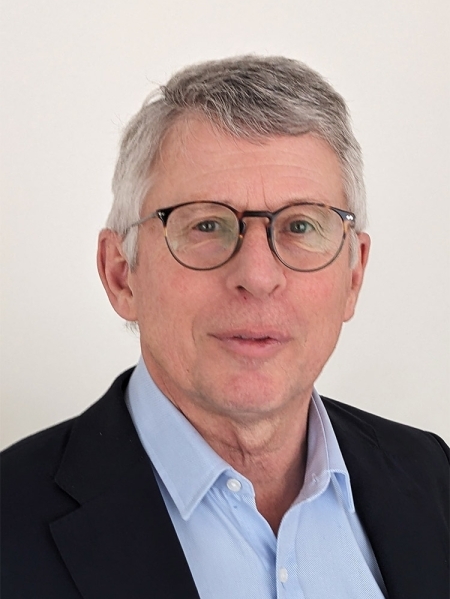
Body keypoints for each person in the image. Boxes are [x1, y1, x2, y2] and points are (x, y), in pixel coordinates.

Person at [1, 55, 448, 599]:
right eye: (207, 225)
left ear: (353, 275)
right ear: (121, 275)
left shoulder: (434, 477)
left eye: (301, 226)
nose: (257, 277)